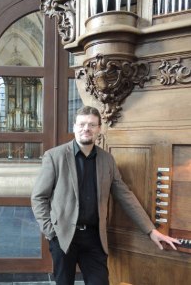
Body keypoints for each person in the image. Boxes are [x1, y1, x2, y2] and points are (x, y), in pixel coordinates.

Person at [31, 106, 180, 285]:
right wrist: (50, 232)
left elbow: (125, 195)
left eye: (92, 125)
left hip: (94, 238)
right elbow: (39, 197)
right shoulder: (55, 156)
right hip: (62, 236)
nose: (87, 128)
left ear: (99, 129)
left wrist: (151, 230)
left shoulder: (107, 160)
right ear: (74, 127)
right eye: (82, 124)